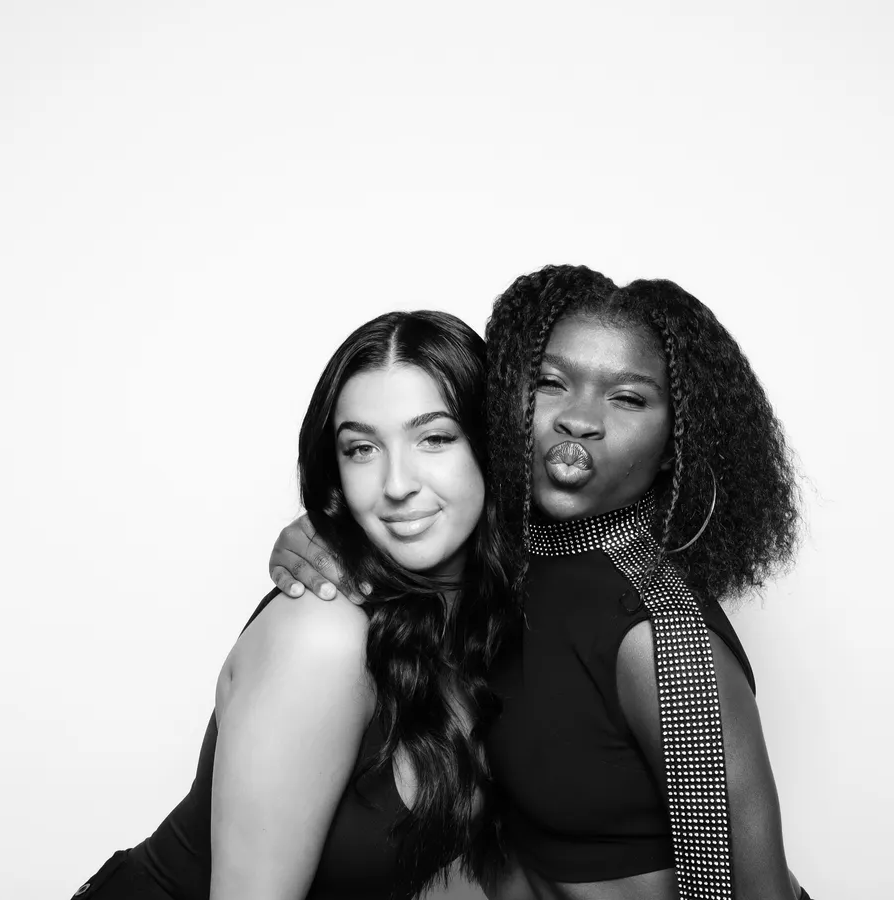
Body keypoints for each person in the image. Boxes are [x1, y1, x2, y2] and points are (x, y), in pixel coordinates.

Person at [269, 266, 813, 900]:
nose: (579, 419)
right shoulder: (504, 567)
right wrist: (329, 531)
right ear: (507, 399)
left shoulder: (662, 633)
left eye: (628, 397)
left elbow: (754, 891)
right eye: (551, 383)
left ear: (676, 443)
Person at [71, 310, 512, 900]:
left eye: (434, 438)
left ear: (492, 446)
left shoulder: (485, 628)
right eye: (361, 449)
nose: (396, 483)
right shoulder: (322, 637)